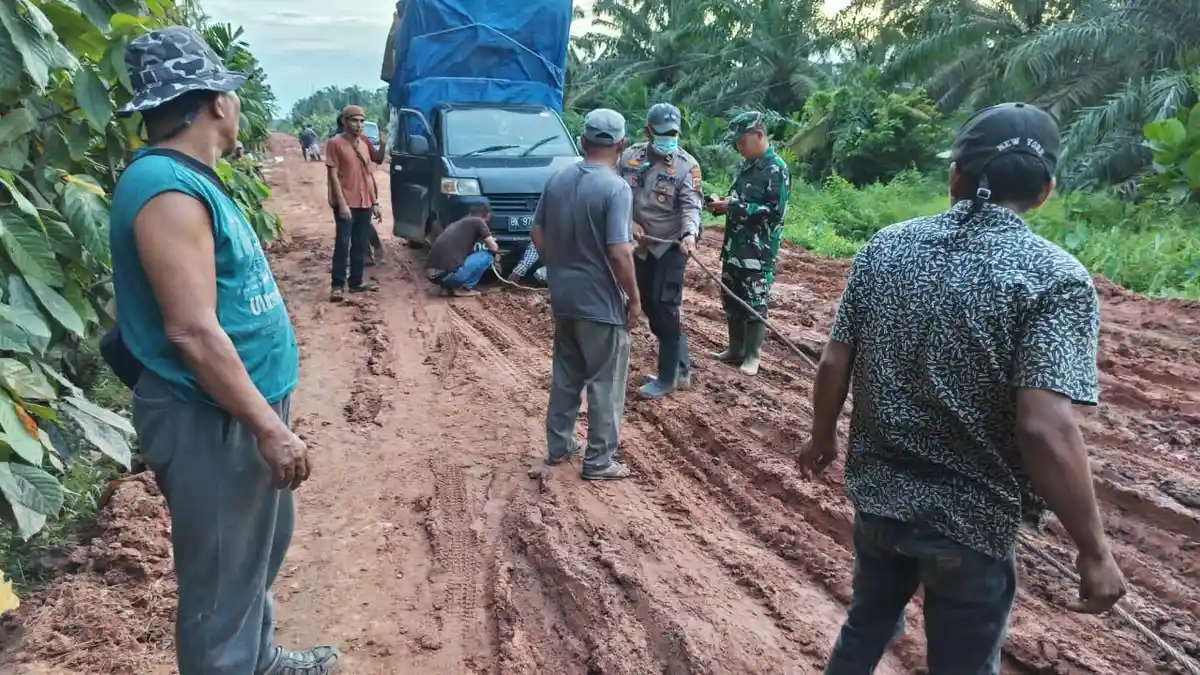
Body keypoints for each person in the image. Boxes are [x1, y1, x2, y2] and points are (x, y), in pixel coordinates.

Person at [798, 102, 1127, 674]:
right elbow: (1044, 426)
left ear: (956, 176)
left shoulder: (887, 247)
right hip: (970, 526)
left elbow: (833, 363)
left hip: (879, 498)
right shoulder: (1055, 278)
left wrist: (821, 438)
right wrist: (1094, 550)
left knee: (866, 624)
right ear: (1045, 190)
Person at [109, 26, 338, 675]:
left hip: (235, 412)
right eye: (232, 94)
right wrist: (266, 425)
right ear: (213, 102)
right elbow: (192, 331)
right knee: (218, 589)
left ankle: (258, 658)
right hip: (211, 418)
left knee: (253, 557)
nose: (237, 106)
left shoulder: (189, 179)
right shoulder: (165, 191)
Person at [533, 108, 639, 481]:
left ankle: (559, 446)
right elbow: (620, 251)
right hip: (600, 304)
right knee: (606, 383)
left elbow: (537, 231)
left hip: (564, 298)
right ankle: (598, 461)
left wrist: (558, 265)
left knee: (566, 374)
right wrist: (634, 299)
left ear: (582, 141)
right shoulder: (616, 188)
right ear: (621, 145)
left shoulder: (558, 180)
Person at [619, 102, 702, 399]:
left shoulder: (687, 166)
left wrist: (689, 234)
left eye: (673, 133)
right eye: (663, 132)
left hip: (672, 246)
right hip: (640, 247)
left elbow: (691, 206)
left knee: (665, 307)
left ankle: (668, 377)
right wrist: (628, 222)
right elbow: (617, 194)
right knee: (649, 306)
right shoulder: (629, 157)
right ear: (648, 131)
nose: (669, 138)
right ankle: (681, 369)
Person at [705, 111, 790, 377]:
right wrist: (720, 205)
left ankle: (752, 355)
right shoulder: (746, 166)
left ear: (759, 135)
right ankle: (735, 349)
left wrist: (735, 206)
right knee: (731, 298)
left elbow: (775, 211)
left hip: (758, 250)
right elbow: (736, 198)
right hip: (734, 247)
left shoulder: (777, 168)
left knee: (755, 303)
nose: (738, 147)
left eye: (742, 141)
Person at [326, 105, 386, 299]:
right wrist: (342, 204)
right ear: (345, 122)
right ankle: (337, 285)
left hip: (365, 201)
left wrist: (375, 202)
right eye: (354, 120)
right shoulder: (335, 143)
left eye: (361, 121)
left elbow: (369, 174)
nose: (359, 125)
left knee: (360, 244)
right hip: (346, 202)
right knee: (343, 244)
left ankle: (356, 282)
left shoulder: (365, 143)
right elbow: (333, 176)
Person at [425, 203, 502, 297]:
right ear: (487, 215)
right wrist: (496, 253)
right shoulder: (478, 221)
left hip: (432, 275)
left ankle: (446, 288)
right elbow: (494, 248)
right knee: (487, 256)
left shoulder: (458, 223)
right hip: (448, 275)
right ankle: (464, 288)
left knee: (459, 257)